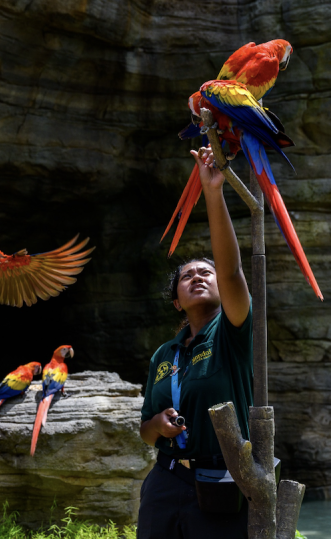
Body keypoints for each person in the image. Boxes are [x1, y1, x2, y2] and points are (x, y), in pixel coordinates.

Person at [137, 147, 253, 538]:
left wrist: (213, 193)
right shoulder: (163, 355)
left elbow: (233, 270)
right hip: (165, 481)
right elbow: (144, 431)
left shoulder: (231, 333)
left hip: (222, 480)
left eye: (207, 272)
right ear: (176, 301)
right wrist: (157, 423)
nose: (199, 276)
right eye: (188, 276)